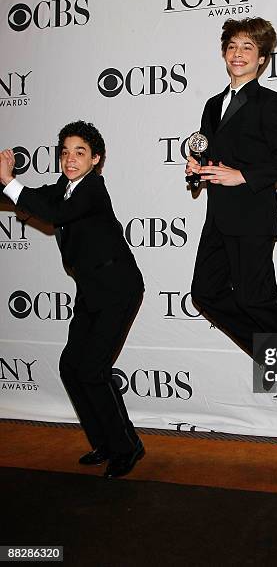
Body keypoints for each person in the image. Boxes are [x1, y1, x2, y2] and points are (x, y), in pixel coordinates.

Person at [186, 17, 277, 400]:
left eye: (248, 48)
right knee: (205, 293)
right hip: (218, 218)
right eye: (232, 47)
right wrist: (198, 170)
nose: (238, 54)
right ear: (224, 54)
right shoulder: (213, 105)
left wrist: (241, 176)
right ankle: (273, 352)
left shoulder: (269, 102)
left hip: (252, 218)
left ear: (262, 59)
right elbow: (210, 155)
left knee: (254, 299)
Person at [0, 121, 145, 478]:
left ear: (96, 159)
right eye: (65, 151)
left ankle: (128, 447)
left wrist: (9, 181)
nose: (70, 158)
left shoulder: (92, 189)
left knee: (93, 370)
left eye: (79, 152)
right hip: (92, 290)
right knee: (71, 367)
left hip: (119, 288)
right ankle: (105, 442)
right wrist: (5, 183)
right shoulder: (63, 187)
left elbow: (56, 215)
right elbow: (31, 198)